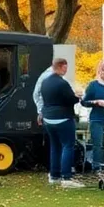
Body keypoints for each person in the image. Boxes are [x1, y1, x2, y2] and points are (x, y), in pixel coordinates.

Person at [40, 58, 83, 188]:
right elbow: (71, 99)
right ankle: (66, 177)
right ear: (61, 67)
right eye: (65, 67)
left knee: (55, 146)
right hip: (63, 118)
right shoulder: (62, 83)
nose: (66, 70)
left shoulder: (45, 82)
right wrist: (78, 97)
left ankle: (54, 175)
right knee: (67, 145)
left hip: (48, 119)